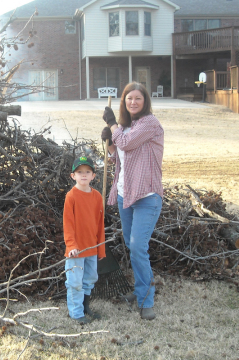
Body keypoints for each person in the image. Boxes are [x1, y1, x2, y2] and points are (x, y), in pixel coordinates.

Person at [100, 82, 164, 320]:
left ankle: (146, 300)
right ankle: (139, 291)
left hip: (147, 196)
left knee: (138, 247)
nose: (133, 102)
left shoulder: (150, 123)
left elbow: (126, 143)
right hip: (125, 194)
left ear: (145, 101)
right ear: (124, 102)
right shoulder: (127, 127)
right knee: (132, 245)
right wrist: (109, 142)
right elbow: (119, 156)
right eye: (129, 99)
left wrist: (112, 124)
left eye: (138, 98)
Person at [63, 156, 106, 324]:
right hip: (76, 250)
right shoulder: (71, 196)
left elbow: (99, 225)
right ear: (73, 176)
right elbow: (68, 223)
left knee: (89, 279)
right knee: (75, 282)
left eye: (87, 172)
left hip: (92, 248)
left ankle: (86, 307)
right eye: (79, 172)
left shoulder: (97, 197)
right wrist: (71, 245)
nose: (83, 175)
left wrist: (100, 248)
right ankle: (76, 313)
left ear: (93, 176)